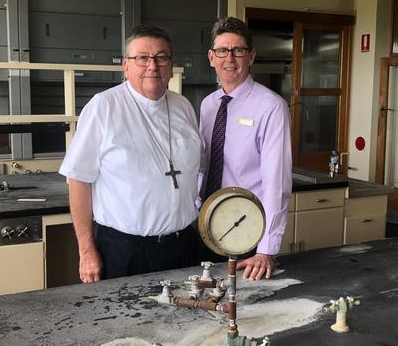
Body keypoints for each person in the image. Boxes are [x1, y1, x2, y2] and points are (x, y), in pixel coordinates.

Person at [59, 25, 201, 283]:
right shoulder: (104, 107)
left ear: (171, 65)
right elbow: (78, 179)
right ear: (126, 66)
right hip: (126, 251)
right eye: (142, 58)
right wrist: (86, 250)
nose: (152, 66)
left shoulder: (183, 106)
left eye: (161, 57)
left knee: (186, 321)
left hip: (183, 245)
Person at [199, 17, 292, 281]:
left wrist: (266, 250)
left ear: (251, 56)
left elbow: (277, 181)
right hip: (208, 223)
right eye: (222, 51)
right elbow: (204, 164)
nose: (230, 58)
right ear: (211, 57)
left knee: (245, 309)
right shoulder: (208, 105)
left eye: (238, 50)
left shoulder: (271, 106)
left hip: (248, 229)